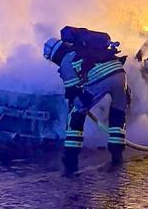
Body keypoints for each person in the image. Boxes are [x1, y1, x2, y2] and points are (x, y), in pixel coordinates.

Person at [43, 26, 130, 176]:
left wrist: (79, 101)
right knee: (117, 114)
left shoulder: (66, 61)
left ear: (54, 55)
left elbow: (73, 91)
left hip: (102, 77)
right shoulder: (81, 50)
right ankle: (117, 157)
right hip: (120, 75)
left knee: (76, 113)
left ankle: (70, 161)